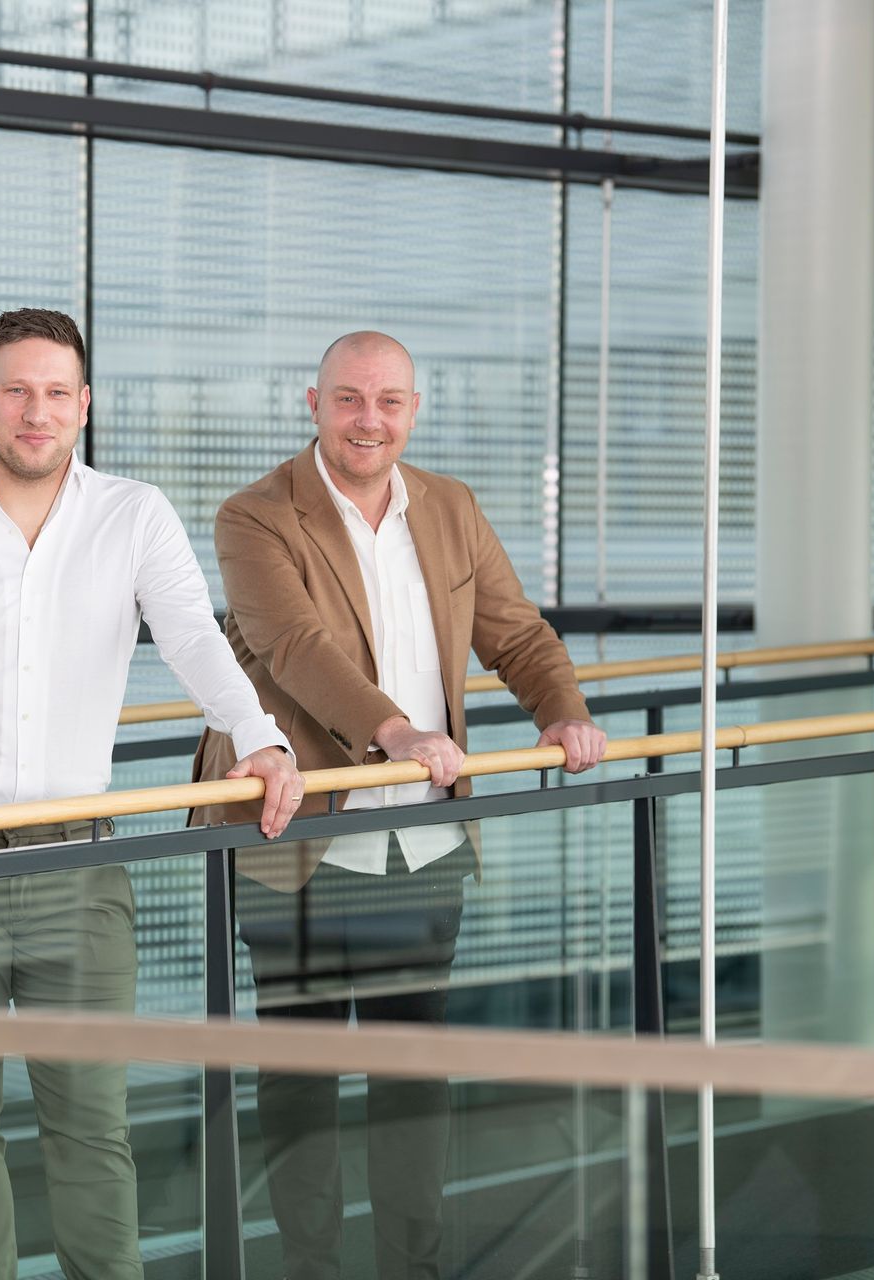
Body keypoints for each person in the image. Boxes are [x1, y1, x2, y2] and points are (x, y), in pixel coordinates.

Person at [0, 308, 304, 1280]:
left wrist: (258, 736)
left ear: (83, 405)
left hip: (77, 861)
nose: (34, 411)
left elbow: (194, 637)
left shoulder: (133, 516)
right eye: (16, 390)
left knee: (90, 1119)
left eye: (55, 392)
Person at [191, 330, 606, 1280]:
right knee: (299, 1081)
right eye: (348, 399)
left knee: (412, 1080)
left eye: (388, 401)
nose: (368, 420)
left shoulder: (451, 507)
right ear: (313, 405)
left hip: (421, 845)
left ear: (414, 410)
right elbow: (295, 648)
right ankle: (309, 1270)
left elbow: (516, 633)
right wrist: (398, 733)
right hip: (296, 838)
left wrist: (564, 711)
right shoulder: (256, 516)